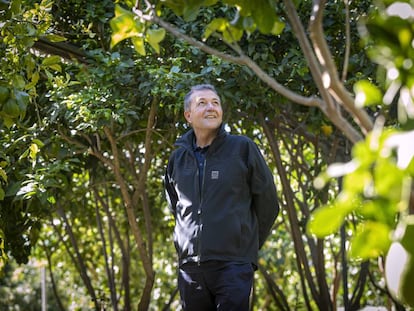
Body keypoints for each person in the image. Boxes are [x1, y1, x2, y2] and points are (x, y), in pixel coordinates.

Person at [164, 84, 279, 311]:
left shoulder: (242, 148)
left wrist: (246, 246)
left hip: (233, 265)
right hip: (191, 269)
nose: (211, 108)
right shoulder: (177, 159)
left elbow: (268, 204)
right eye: (202, 103)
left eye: (215, 103)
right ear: (188, 115)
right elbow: (175, 206)